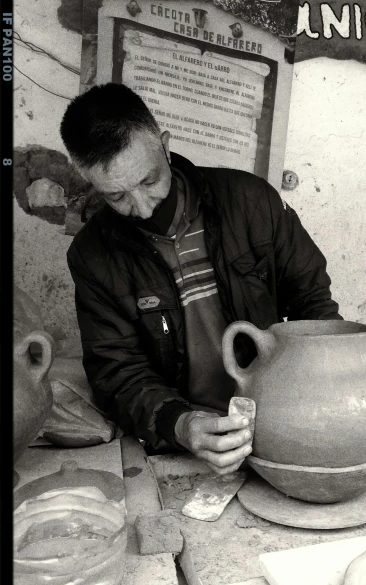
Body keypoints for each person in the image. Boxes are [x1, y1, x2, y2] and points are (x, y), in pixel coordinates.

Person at [61, 83, 342, 475]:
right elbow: (117, 371)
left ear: (164, 144)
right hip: (184, 442)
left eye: (148, 181)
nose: (141, 209)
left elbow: (313, 301)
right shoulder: (93, 256)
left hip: (279, 420)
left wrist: (326, 387)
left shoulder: (251, 201)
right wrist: (181, 424)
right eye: (116, 197)